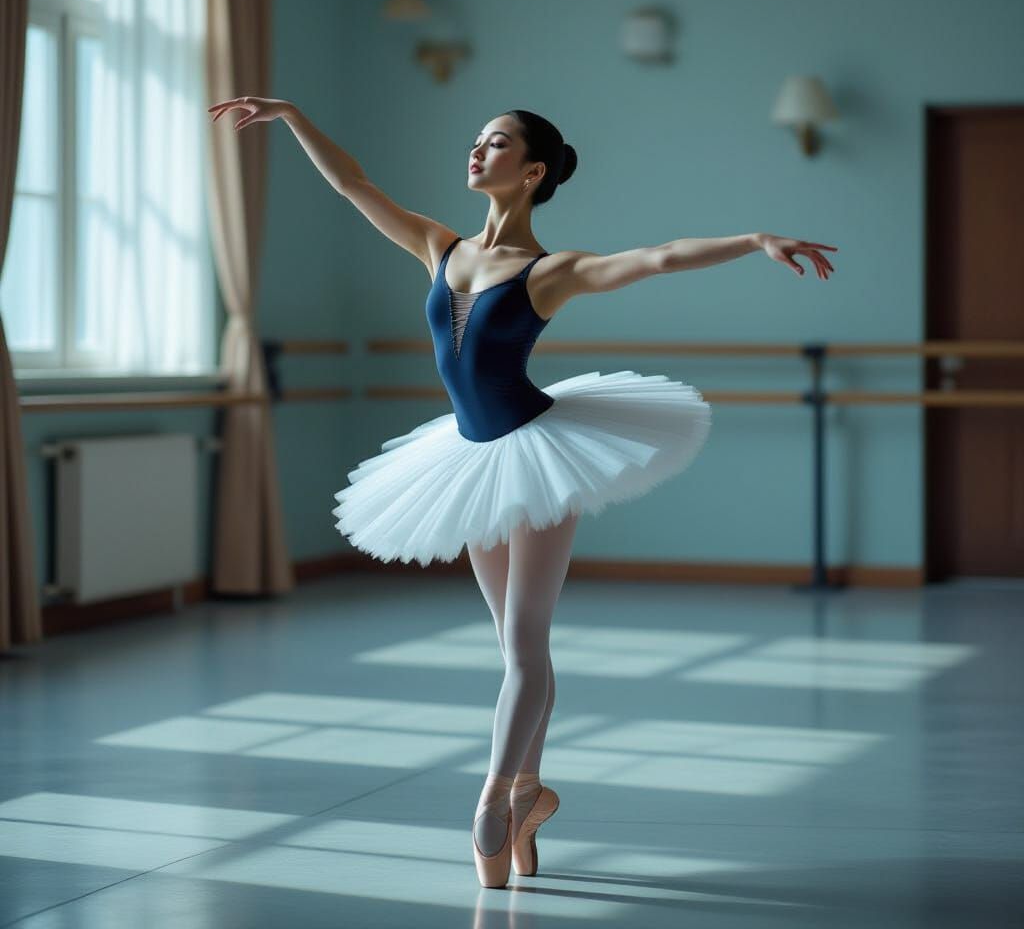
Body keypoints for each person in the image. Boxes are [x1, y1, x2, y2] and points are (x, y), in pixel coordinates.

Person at [208, 97, 839, 888]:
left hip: (540, 452)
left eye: (496, 143)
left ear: (532, 171)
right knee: (513, 645)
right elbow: (353, 185)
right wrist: (293, 116)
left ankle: (494, 798)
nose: (477, 152)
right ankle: (529, 796)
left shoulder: (551, 271)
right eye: (476, 141)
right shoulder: (437, 246)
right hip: (468, 461)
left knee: (527, 640)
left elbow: (660, 255)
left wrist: (754, 241)